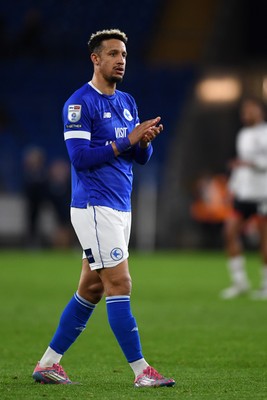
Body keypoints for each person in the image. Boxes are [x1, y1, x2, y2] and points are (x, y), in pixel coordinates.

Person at [32, 29, 175, 388]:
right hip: (94, 206)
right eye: (112, 53)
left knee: (91, 289)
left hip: (119, 206)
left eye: (124, 54)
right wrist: (127, 139)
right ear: (96, 59)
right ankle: (142, 371)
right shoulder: (79, 103)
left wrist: (143, 143)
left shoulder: (126, 101)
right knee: (120, 282)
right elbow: (79, 158)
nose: (121, 60)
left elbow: (138, 157)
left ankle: (48, 364)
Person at [221, 96, 267, 300]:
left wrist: (250, 163)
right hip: (245, 193)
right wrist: (233, 187)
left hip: (263, 193)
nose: (245, 114)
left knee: (265, 239)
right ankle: (240, 282)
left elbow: (256, 163)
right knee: (230, 231)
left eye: (250, 110)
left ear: (260, 111)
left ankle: (265, 284)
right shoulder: (243, 133)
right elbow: (241, 165)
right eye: (244, 111)